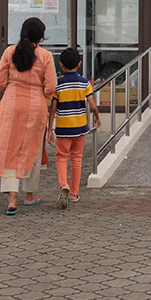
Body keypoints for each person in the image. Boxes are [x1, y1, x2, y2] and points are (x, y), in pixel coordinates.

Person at [0, 18, 57, 215]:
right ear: (41, 36)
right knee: (31, 148)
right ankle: (29, 195)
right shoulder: (45, 55)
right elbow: (51, 87)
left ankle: (11, 199)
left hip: (11, 104)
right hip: (35, 107)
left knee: (9, 147)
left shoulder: (9, 52)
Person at [47, 48, 101, 209]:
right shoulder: (84, 83)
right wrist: (97, 116)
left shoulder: (58, 84)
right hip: (80, 128)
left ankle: (64, 184)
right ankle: (74, 194)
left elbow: (53, 108)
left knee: (61, 156)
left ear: (61, 65)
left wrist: (50, 128)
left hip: (63, 128)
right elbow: (91, 104)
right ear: (79, 63)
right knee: (76, 158)